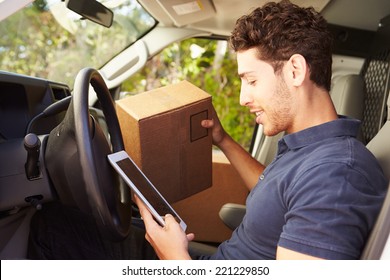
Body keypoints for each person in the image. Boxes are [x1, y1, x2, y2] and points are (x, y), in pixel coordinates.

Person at [134, 0, 388, 260]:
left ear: (295, 71)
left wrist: (174, 259)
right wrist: (222, 139)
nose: (243, 98)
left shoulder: (337, 175)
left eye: (252, 80)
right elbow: (278, 192)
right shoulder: (307, 149)